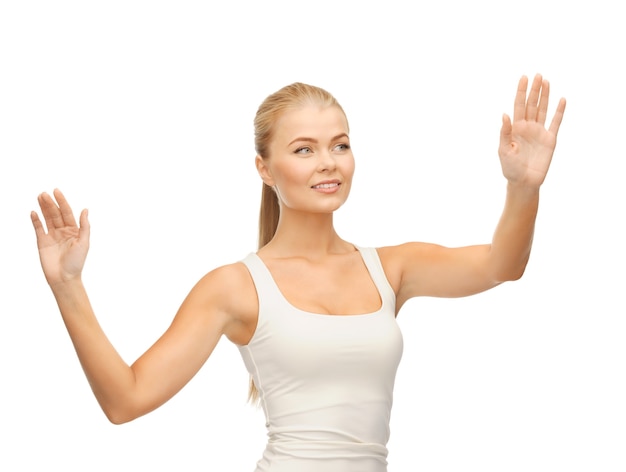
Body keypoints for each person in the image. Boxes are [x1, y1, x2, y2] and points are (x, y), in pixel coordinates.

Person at [31, 74, 566, 472]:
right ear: (265, 169)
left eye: (340, 145)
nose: (328, 162)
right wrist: (68, 287)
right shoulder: (235, 288)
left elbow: (503, 265)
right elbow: (125, 401)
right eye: (303, 150)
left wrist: (524, 187)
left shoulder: (392, 268)